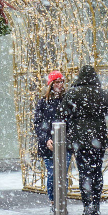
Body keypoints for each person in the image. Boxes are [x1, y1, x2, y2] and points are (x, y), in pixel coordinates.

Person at [60, 65, 108, 215]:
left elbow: (62, 113)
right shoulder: (102, 93)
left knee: (84, 172)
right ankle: (96, 204)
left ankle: (87, 205)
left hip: (80, 139)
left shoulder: (72, 93)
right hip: (99, 139)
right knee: (97, 170)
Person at [33, 70, 70, 206]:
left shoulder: (67, 100)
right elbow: (38, 124)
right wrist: (46, 139)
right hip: (48, 146)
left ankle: (61, 200)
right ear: (51, 84)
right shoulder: (43, 102)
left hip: (64, 143)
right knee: (52, 174)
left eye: (61, 82)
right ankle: (54, 200)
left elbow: (70, 122)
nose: (60, 85)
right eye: (57, 82)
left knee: (63, 174)